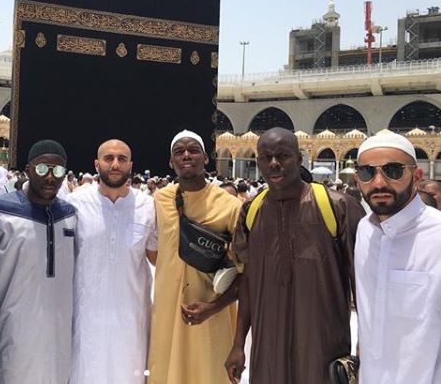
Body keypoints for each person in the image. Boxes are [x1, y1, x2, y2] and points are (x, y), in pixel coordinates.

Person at [225, 127, 364, 384]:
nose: (274, 164)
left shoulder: (338, 207)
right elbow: (248, 281)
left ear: (299, 159)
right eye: (266, 157)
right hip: (267, 349)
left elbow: (363, 284)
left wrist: (364, 344)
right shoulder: (251, 212)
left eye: (282, 156)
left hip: (323, 347)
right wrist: (238, 344)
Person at [148, 130, 242, 384]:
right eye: (179, 152)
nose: (186, 155)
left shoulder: (230, 206)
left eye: (193, 150)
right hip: (169, 311)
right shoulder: (160, 199)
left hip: (212, 313)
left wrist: (214, 307)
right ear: (171, 162)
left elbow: (247, 271)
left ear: (206, 158)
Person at [354, 132, 441, 383]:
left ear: (416, 177)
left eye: (393, 170)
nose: (379, 183)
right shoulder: (364, 230)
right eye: (368, 172)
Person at [67, 139, 156, 384]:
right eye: (109, 158)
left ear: (131, 165)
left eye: (122, 159)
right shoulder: (76, 204)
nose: (115, 164)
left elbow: (157, 257)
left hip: (131, 317)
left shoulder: (147, 206)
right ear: (97, 164)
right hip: (86, 317)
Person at [0, 140, 77, 384]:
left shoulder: (70, 216)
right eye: (42, 169)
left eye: (58, 171)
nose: (50, 177)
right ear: (28, 170)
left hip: (57, 340)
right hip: (11, 334)